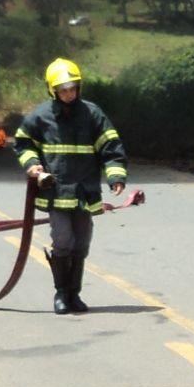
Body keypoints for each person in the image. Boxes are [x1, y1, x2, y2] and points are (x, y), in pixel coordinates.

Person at [13, 58, 128, 314]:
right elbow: (22, 142)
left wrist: (116, 176)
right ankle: (61, 294)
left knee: (82, 242)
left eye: (72, 88)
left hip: (84, 192)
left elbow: (110, 146)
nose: (68, 93)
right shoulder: (41, 116)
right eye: (63, 89)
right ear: (53, 90)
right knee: (63, 240)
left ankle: (75, 294)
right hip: (55, 192)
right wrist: (32, 165)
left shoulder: (92, 114)